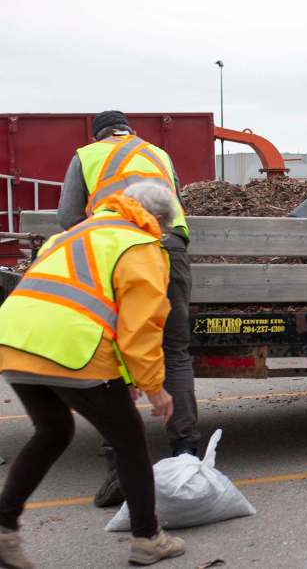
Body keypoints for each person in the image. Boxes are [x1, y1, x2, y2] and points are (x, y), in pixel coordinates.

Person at [0, 182, 188, 568]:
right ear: (157, 221)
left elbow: (93, 306)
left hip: (15, 341)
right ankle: (148, 540)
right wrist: (155, 387)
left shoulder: (69, 236)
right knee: (130, 441)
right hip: (71, 349)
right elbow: (140, 326)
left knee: (53, 431)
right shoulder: (140, 246)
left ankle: (2, 530)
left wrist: (127, 378)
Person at [56, 110, 199, 507]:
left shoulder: (86, 156)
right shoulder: (157, 153)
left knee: (115, 353)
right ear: (130, 131)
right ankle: (186, 453)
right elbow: (175, 203)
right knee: (175, 350)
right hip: (170, 247)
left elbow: (68, 217)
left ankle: (120, 468)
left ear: (98, 134)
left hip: (116, 249)